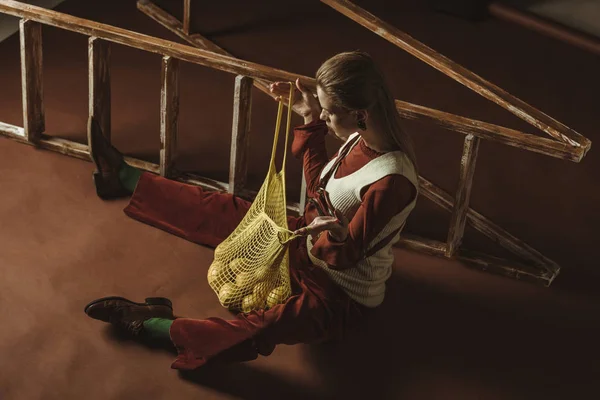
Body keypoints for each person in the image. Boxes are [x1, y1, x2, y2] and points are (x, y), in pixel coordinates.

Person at [84, 51, 419, 370]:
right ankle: (124, 177)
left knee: (261, 327)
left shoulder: (392, 183)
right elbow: (321, 186)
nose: (323, 117)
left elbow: (346, 255)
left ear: (360, 114)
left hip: (338, 290)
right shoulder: (358, 138)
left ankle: (155, 325)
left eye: (328, 113)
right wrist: (307, 118)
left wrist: (337, 233)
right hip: (302, 240)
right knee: (224, 209)